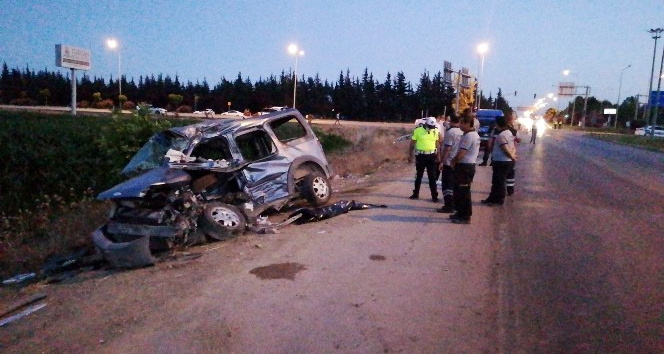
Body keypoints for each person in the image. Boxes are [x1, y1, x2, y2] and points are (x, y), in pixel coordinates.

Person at [448, 115, 480, 224]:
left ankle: (465, 216)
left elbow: (461, 153)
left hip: (465, 167)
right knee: (458, 191)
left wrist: (453, 161)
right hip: (465, 166)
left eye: (462, 123)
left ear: (467, 124)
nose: (460, 125)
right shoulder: (470, 135)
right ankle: (459, 212)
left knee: (463, 192)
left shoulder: (469, 136)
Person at [482, 116, 517, 206]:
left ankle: (498, 200)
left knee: (499, 182)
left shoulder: (501, 135)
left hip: (502, 161)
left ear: (498, 123)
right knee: (496, 181)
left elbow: (505, 148)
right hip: (503, 161)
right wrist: (512, 157)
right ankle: (492, 198)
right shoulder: (508, 132)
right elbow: (512, 147)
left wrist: (511, 156)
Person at [407, 117, 442, 202]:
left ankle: (434, 196)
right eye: (429, 127)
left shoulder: (435, 130)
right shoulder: (418, 130)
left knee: (432, 177)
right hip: (421, 156)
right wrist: (410, 155)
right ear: (426, 124)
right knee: (419, 176)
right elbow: (412, 144)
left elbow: (438, 143)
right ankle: (416, 194)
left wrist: (439, 155)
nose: (430, 129)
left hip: (432, 155)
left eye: (431, 127)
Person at [437, 113, 463, 213]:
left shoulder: (450, 132)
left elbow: (447, 149)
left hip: (449, 162)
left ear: (451, 121)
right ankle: (456, 205)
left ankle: (449, 206)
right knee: (456, 185)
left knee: (447, 185)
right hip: (459, 162)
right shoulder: (463, 131)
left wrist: (441, 161)